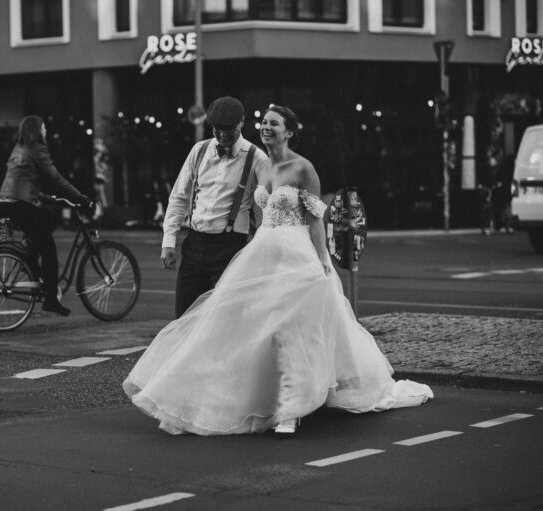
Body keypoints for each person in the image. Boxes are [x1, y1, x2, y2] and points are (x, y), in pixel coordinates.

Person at [123, 104, 433, 436]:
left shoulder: (303, 168)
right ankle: (247, 396)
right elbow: (253, 215)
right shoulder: (261, 167)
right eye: (265, 122)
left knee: (293, 330)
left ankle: (293, 408)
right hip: (262, 249)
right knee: (255, 330)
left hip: (295, 250)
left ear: (290, 131)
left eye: (274, 123)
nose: (267, 127)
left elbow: (315, 221)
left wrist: (323, 261)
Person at [161, 96, 270, 318]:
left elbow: (262, 211)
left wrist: (260, 251)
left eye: (227, 129)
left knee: (222, 321)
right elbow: (179, 197)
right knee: (184, 317)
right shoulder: (199, 150)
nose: (221, 135)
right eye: (216, 129)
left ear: (241, 122)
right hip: (194, 244)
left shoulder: (256, 157)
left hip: (229, 248)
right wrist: (168, 241)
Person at [0, 115, 92, 317]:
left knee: (48, 220)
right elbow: (55, 177)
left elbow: (21, 180)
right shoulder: (37, 148)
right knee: (49, 248)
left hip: (6, 202)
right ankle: (50, 299)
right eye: (44, 128)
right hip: (22, 204)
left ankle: (32, 265)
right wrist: (80, 197)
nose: (46, 131)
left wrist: (44, 197)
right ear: (36, 130)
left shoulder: (19, 148)